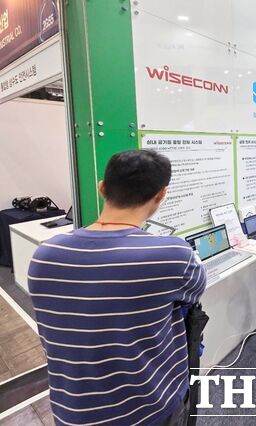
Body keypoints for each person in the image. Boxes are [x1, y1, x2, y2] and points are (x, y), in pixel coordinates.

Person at [28, 150, 206, 426]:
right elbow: (194, 291)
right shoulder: (173, 255)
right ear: (161, 195)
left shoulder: (44, 255)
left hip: (72, 411)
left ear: (102, 188)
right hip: (150, 409)